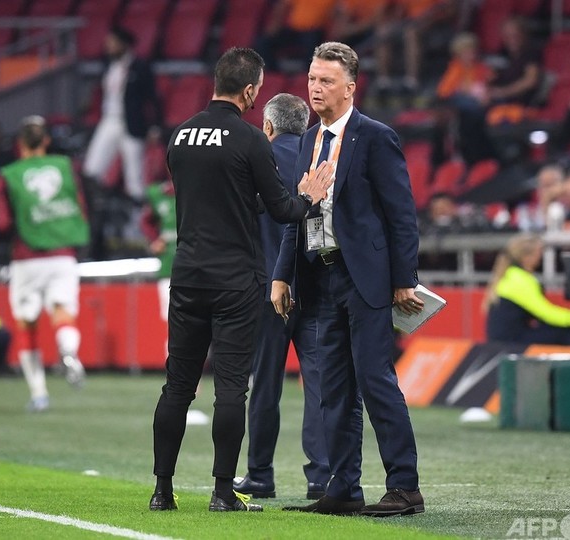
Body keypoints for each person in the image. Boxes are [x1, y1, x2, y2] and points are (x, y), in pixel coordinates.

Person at [149, 47, 333, 514]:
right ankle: (222, 491)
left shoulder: (181, 135)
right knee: (231, 388)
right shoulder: (252, 140)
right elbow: (282, 210)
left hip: (188, 274)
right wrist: (308, 197)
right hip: (235, 280)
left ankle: (162, 491)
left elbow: (206, 200)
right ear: (250, 91)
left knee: (177, 386)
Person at [274, 42, 424, 517]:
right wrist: (281, 276)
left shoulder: (375, 137)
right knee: (333, 387)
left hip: (365, 278)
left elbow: (402, 215)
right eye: (312, 79)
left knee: (375, 380)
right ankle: (343, 487)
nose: (315, 88)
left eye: (327, 81)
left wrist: (404, 278)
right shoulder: (306, 141)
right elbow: (296, 217)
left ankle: (405, 487)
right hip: (319, 277)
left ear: (350, 88)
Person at [233, 93, 330, 501]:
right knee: (320, 383)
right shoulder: (319, 160)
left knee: (265, 383)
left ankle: (260, 475)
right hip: (314, 287)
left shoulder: (256, 159)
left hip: (265, 288)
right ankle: (322, 476)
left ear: (268, 126)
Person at [0, 116, 90, 412]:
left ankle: (39, 394)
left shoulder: (9, 174)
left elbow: (0, 221)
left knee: (27, 324)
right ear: (46, 140)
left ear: (19, 144)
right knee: (63, 313)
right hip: (63, 254)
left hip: (27, 258)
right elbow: (81, 206)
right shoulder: (66, 166)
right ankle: (68, 351)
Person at [83, 27, 162, 202]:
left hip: (132, 123)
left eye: (112, 43)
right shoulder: (107, 65)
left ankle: (138, 213)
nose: (108, 46)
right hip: (109, 120)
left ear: (124, 44)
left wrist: (155, 126)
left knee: (134, 175)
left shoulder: (140, 67)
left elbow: (152, 98)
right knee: (92, 168)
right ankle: (98, 206)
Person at [485, 234, 570, 346]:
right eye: (539, 253)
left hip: (504, 338)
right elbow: (545, 313)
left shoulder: (510, 274)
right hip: (510, 342)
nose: (541, 258)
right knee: (569, 331)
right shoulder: (520, 279)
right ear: (526, 256)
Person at [436, 32, 496, 164]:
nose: (471, 54)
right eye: (466, 51)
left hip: (478, 108)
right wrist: (465, 90)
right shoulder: (455, 68)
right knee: (468, 109)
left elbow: (488, 85)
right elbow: (444, 92)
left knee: (474, 115)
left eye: (472, 50)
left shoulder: (481, 67)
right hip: (460, 105)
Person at [140, 178, 176, 353]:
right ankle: (175, 368)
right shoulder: (160, 194)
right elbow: (146, 221)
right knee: (173, 322)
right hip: (169, 266)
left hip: (200, 267)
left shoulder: (200, 190)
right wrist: (154, 240)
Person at [486, 17, 541, 125]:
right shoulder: (502, 53)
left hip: (518, 103)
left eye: (515, 35)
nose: (511, 39)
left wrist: (502, 92)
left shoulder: (530, 53)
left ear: (523, 34)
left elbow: (530, 81)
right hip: (496, 100)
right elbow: (490, 76)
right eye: (507, 36)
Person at [254, 0, 335, 71]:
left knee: (313, 49)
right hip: (293, 29)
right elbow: (282, 6)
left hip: (314, 31)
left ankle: (306, 75)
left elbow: (338, 13)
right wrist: (275, 25)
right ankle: (273, 71)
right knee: (263, 43)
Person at [515, 164, 566, 232]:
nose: (546, 191)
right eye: (543, 185)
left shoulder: (567, 204)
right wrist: (545, 203)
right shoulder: (530, 205)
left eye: (549, 185)